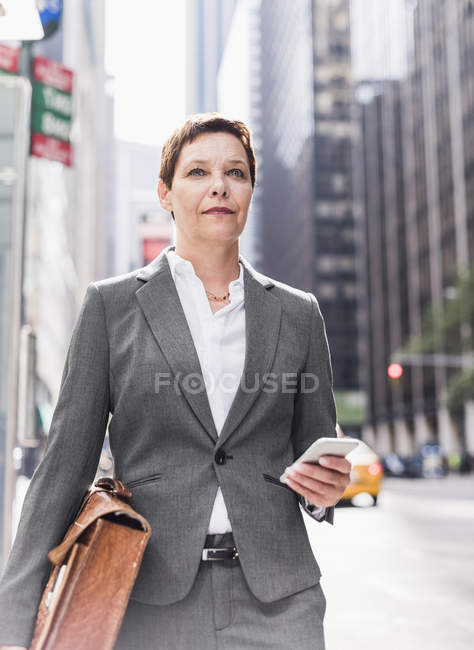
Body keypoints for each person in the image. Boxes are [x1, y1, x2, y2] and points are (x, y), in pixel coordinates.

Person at [0, 113, 350, 650]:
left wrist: (324, 491)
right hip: (148, 599)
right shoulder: (111, 307)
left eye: (236, 172)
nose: (219, 186)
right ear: (165, 193)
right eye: (198, 172)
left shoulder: (299, 314)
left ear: (250, 190)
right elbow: (62, 469)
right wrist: (14, 621)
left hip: (280, 602)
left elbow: (314, 449)